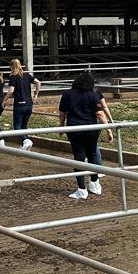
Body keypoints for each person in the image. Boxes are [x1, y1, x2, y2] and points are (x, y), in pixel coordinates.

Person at [58, 70, 113, 200]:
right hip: (91, 130)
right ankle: (94, 184)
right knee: (92, 154)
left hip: (74, 129)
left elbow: (62, 113)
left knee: (79, 156)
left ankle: (81, 189)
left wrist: (61, 126)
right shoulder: (93, 95)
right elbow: (100, 114)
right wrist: (108, 129)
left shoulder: (67, 94)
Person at [3, 58, 40, 150]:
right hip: (29, 104)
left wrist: (4, 100)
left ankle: (26, 140)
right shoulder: (27, 75)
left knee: (17, 127)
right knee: (24, 126)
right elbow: (38, 82)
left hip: (19, 104)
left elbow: (11, 91)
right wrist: (36, 94)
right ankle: (25, 143)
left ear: (12, 67)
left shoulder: (13, 76)